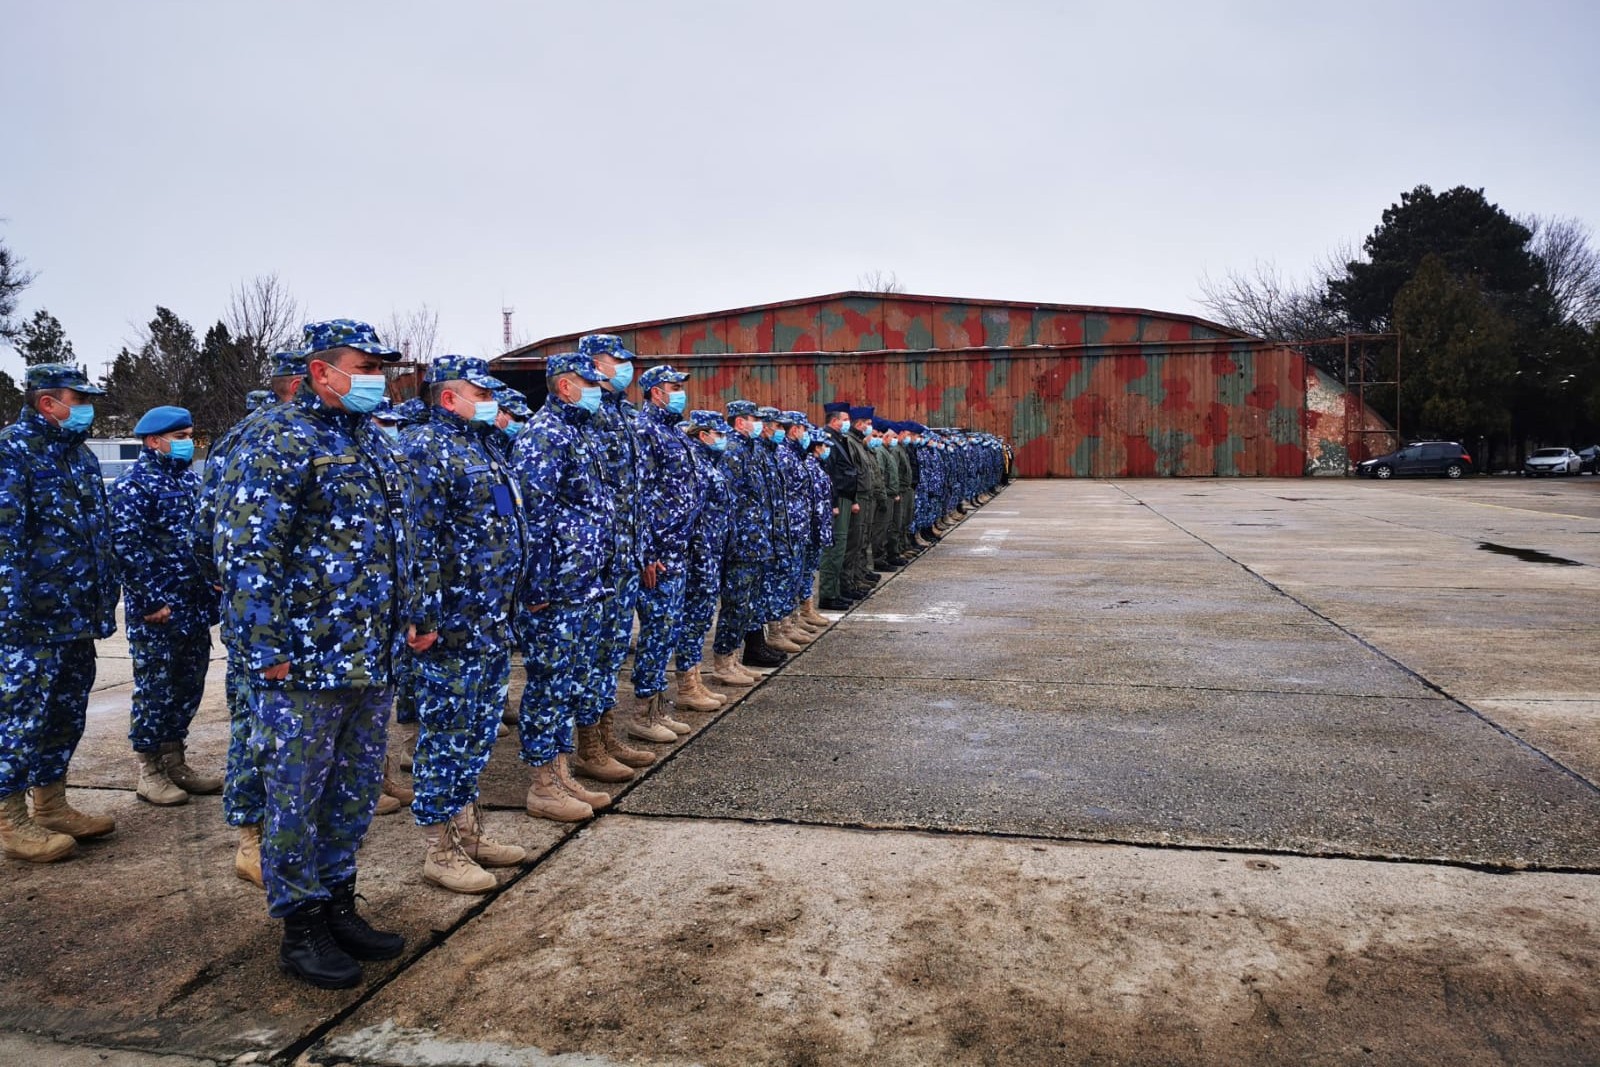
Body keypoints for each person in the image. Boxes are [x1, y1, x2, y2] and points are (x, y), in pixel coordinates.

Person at [213, 319, 426, 989]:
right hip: (304, 659)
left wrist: (417, 608)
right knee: (295, 794)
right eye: (364, 365)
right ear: (321, 371)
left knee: (354, 789)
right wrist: (262, 644)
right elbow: (248, 550)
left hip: (370, 653)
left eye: (381, 368)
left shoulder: (373, 442)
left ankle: (338, 901)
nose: (376, 378)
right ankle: (300, 924)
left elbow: (399, 537)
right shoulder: (277, 438)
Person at [402, 355, 529, 892]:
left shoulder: (481, 445)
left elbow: (504, 522)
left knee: (477, 732)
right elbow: (418, 539)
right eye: (480, 392)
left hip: (490, 616)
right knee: (449, 733)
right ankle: (439, 849)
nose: (490, 400)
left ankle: (468, 832)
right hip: (452, 622)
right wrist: (424, 616)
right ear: (449, 397)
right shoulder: (425, 448)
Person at [0, 363, 120, 863]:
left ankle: (51, 804)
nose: (89, 408)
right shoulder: (12, 451)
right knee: (18, 716)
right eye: (81, 398)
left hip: (75, 615)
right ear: (48, 402)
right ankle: (9, 819)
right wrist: (10, 614)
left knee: (65, 711)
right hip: (30, 620)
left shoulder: (79, 456)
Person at [196, 348, 306, 887]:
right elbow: (212, 530)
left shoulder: (317, 433)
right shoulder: (255, 437)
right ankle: (251, 838)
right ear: (299, 382)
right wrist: (237, 595)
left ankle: (275, 836)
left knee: (271, 731)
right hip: (262, 614)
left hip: (292, 617)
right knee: (253, 727)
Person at [510, 352, 626, 820]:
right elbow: (531, 518)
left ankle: (561, 774)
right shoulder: (544, 436)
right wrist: (535, 588)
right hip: (555, 588)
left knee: (568, 683)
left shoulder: (578, 433)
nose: (598, 388)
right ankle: (543, 783)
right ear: (565, 387)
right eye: (590, 381)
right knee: (549, 684)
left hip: (583, 584)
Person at [109, 405, 221, 807]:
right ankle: (150, 770)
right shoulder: (134, 485)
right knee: (156, 689)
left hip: (192, 607)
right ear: (154, 441)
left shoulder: (191, 482)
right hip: (159, 610)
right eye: (179, 437)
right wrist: (148, 601)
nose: (188, 443)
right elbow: (126, 548)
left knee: (187, 686)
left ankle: (176, 761)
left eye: (190, 435)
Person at [574, 334, 661, 772]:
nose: (625, 367)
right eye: (616, 360)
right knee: (591, 656)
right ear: (590, 364)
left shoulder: (624, 416)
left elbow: (636, 495)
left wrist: (644, 551)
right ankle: (589, 746)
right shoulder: (586, 420)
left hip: (625, 556)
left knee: (610, 652)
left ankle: (606, 737)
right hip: (596, 562)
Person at [628, 364, 702, 739]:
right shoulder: (645, 431)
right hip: (660, 553)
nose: (680, 393)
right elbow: (639, 497)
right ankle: (643, 715)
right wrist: (647, 552)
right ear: (656, 392)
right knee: (656, 631)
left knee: (668, 630)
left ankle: (658, 707)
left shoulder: (672, 432)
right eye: (674, 387)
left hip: (678, 547)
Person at [708, 400, 779, 681]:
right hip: (741, 544)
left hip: (755, 541)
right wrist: (734, 540)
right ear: (740, 422)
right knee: (736, 604)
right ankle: (723, 662)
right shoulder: (733, 451)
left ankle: (734, 659)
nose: (758, 423)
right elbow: (731, 502)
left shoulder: (750, 449)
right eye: (754, 418)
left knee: (747, 604)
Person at [674, 409, 742, 697]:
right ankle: (688, 685)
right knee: (693, 618)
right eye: (719, 434)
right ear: (703, 435)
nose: (724, 439)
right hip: (699, 554)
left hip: (712, 552)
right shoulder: (696, 465)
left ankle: (696, 679)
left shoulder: (709, 462)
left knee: (701, 617)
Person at [816, 401, 858, 611]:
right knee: (834, 547)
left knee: (840, 547)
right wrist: (834, 503)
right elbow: (830, 475)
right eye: (845, 420)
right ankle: (828, 594)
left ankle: (835, 591)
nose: (847, 423)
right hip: (838, 499)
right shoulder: (829, 441)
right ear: (834, 421)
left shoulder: (840, 440)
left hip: (845, 498)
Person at [842, 405, 881, 598]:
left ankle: (857, 576)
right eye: (867, 424)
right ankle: (849, 582)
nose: (870, 428)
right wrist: (855, 499)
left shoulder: (859, 443)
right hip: (859, 498)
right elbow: (853, 475)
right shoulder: (851, 442)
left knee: (862, 540)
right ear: (858, 424)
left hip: (866, 497)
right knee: (854, 542)